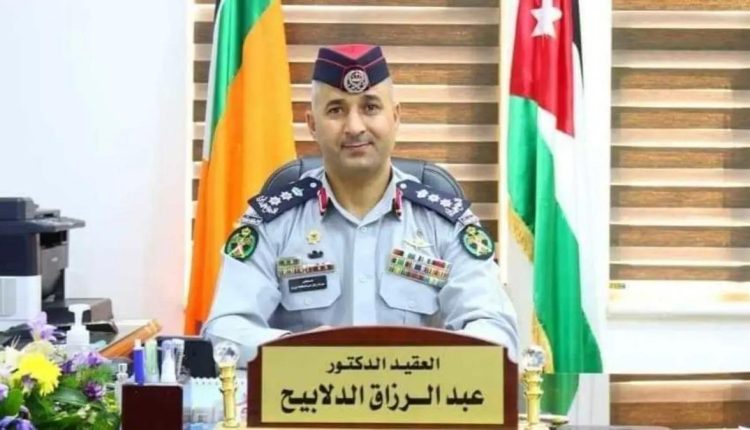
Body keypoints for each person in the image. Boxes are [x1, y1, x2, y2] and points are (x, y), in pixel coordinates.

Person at [202, 44, 519, 365]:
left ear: (395, 117)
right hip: (307, 393)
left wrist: (422, 359)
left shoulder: (445, 223)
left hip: (420, 393)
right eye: (336, 110)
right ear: (312, 124)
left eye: (370, 107)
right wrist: (302, 351)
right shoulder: (273, 222)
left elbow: (497, 332)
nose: (354, 127)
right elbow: (224, 330)